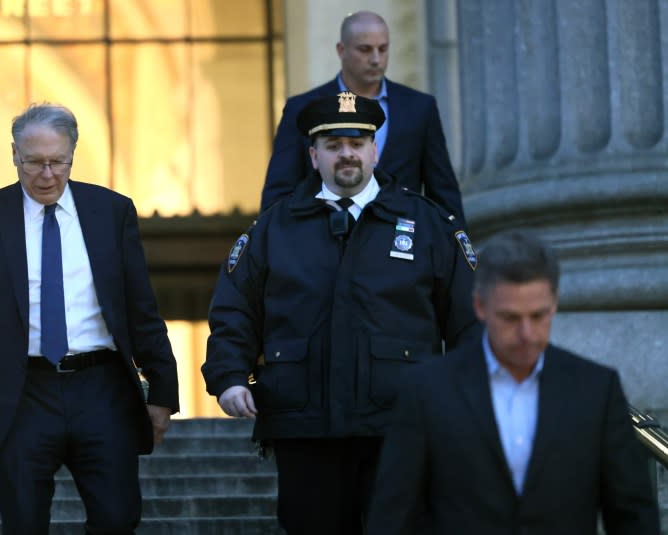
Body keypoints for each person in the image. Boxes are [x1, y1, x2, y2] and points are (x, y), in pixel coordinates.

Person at [202, 91, 479, 535]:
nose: (346, 154)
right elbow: (235, 309)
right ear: (314, 156)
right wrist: (229, 377)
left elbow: (469, 319)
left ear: (374, 150)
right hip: (305, 425)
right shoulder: (275, 228)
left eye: (356, 142)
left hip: (402, 423)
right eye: (333, 146)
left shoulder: (428, 224)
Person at [0, 103, 180, 533]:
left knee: (118, 518)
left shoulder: (112, 212)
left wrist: (162, 391)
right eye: (33, 163)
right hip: (20, 393)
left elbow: (141, 309)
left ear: (72, 155)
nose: (46, 175)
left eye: (57, 162)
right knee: (23, 522)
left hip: (102, 389)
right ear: (14, 155)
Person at [366, 230, 660, 535]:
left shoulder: (597, 390)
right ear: (480, 307)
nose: (526, 334)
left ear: (554, 304)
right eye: (510, 318)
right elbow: (393, 517)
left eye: (538, 316)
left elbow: (633, 517)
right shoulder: (426, 390)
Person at [260, 10, 464, 224]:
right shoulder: (303, 108)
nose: (376, 59)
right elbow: (279, 192)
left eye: (383, 49)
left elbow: (443, 191)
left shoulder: (419, 107)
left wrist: (458, 250)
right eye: (365, 50)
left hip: (401, 241)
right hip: (324, 241)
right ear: (341, 50)